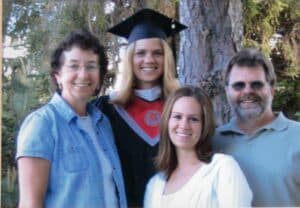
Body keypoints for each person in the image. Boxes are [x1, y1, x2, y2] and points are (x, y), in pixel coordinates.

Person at [16, 29, 127, 208]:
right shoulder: (42, 124)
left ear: (99, 77)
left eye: (91, 66)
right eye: (73, 66)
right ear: (57, 75)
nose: (83, 75)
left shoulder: (103, 123)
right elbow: (30, 203)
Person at [94, 8, 187, 207]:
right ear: (130, 59)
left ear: (167, 59)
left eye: (157, 53)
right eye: (140, 53)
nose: (149, 60)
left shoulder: (183, 107)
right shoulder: (107, 109)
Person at [212, 48, 300, 206]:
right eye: (238, 85)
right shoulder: (212, 142)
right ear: (227, 92)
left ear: (272, 90)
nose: (247, 91)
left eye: (256, 85)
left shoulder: (297, 137)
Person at [144, 86, 252, 208]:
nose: (184, 125)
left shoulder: (222, 169)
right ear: (167, 121)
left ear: (204, 126)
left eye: (193, 119)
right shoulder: (155, 186)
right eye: (177, 117)